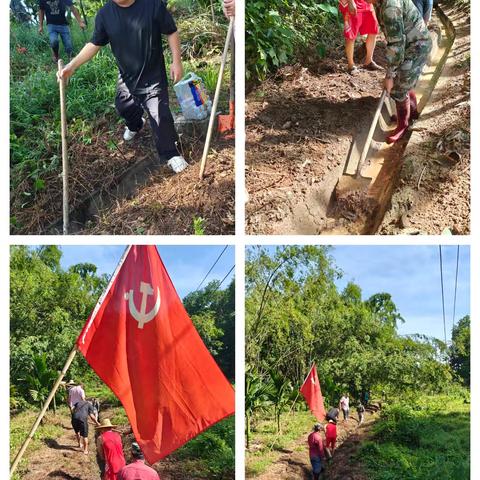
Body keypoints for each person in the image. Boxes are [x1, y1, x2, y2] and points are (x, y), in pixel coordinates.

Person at [58, 0, 189, 174]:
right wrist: (71, 66)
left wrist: (176, 62)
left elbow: (171, 31)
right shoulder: (105, 14)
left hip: (153, 75)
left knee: (159, 115)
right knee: (123, 106)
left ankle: (171, 154)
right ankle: (136, 125)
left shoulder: (152, 5)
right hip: (127, 77)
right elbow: (94, 44)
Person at [366, 0, 432, 144]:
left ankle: (403, 124)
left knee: (397, 88)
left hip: (417, 46)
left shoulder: (390, 8)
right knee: (402, 81)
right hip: (409, 43)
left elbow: (396, 44)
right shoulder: (379, 3)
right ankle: (411, 112)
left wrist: (390, 75)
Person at [338, 0, 383, 74]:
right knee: (351, 34)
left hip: (366, 3)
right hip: (352, 2)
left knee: (373, 30)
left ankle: (369, 61)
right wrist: (351, 2)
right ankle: (351, 65)